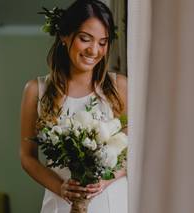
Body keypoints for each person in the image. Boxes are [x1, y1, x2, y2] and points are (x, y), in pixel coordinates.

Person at [20, 0, 128, 212]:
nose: (94, 50)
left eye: (102, 42)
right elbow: (27, 156)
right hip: (60, 201)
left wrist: (105, 181)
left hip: (110, 200)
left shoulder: (119, 87)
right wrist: (60, 187)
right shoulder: (36, 90)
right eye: (85, 39)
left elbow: (131, 151)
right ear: (64, 36)